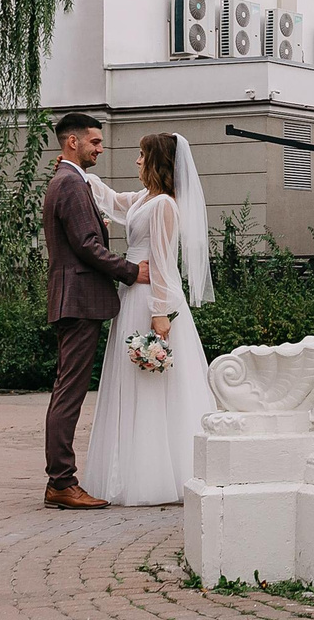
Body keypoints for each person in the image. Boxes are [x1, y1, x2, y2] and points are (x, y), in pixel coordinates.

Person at [77, 132, 218, 507]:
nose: (137, 161)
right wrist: (81, 175)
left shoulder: (165, 206)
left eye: (142, 155)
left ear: (157, 161)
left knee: (155, 387)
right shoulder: (144, 199)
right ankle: (133, 470)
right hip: (131, 297)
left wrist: (160, 313)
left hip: (151, 300)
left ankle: (162, 475)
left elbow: (162, 262)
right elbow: (114, 200)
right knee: (133, 384)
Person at [42, 111, 146, 509]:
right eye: (95, 142)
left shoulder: (70, 180)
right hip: (79, 299)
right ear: (73, 142)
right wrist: (131, 271)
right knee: (69, 392)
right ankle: (61, 483)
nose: (101, 149)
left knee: (67, 389)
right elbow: (87, 245)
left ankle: (60, 481)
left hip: (75, 297)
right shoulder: (70, 183)